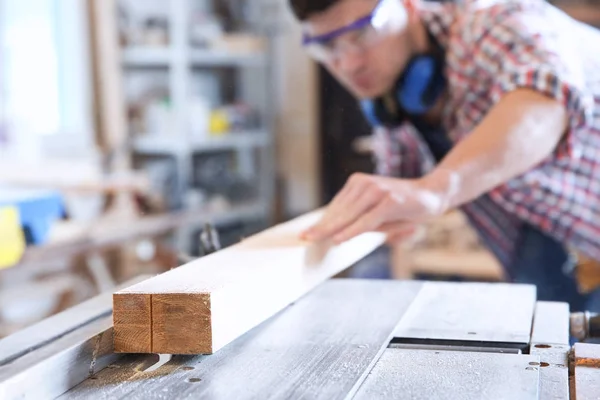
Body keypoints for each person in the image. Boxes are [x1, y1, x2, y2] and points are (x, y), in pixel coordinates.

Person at [288, 0, 600, 311]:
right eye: (327, 46)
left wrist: (436, 188)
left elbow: (544, 103)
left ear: (408, 5)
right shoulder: (393, 105)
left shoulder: (496, 23)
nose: (349, 63)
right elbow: (394, 198)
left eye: (364, 32)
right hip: (554, 264)